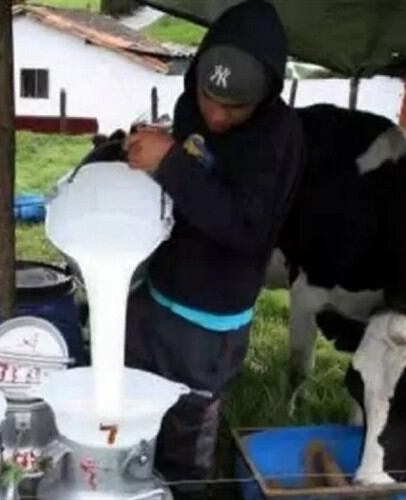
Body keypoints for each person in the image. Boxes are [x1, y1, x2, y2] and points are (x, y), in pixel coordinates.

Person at [122, 1, 304, 497]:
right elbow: (192, 173)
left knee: (186, 437)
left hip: (210, 325)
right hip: (155, 296)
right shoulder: (190, 107)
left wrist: (170, 164)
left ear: (266, 95)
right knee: (130, 413)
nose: (218, 116)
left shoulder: (279, 138)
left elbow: (247, 228)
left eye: (236, 107)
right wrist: (154, 151)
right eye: (209, 98)